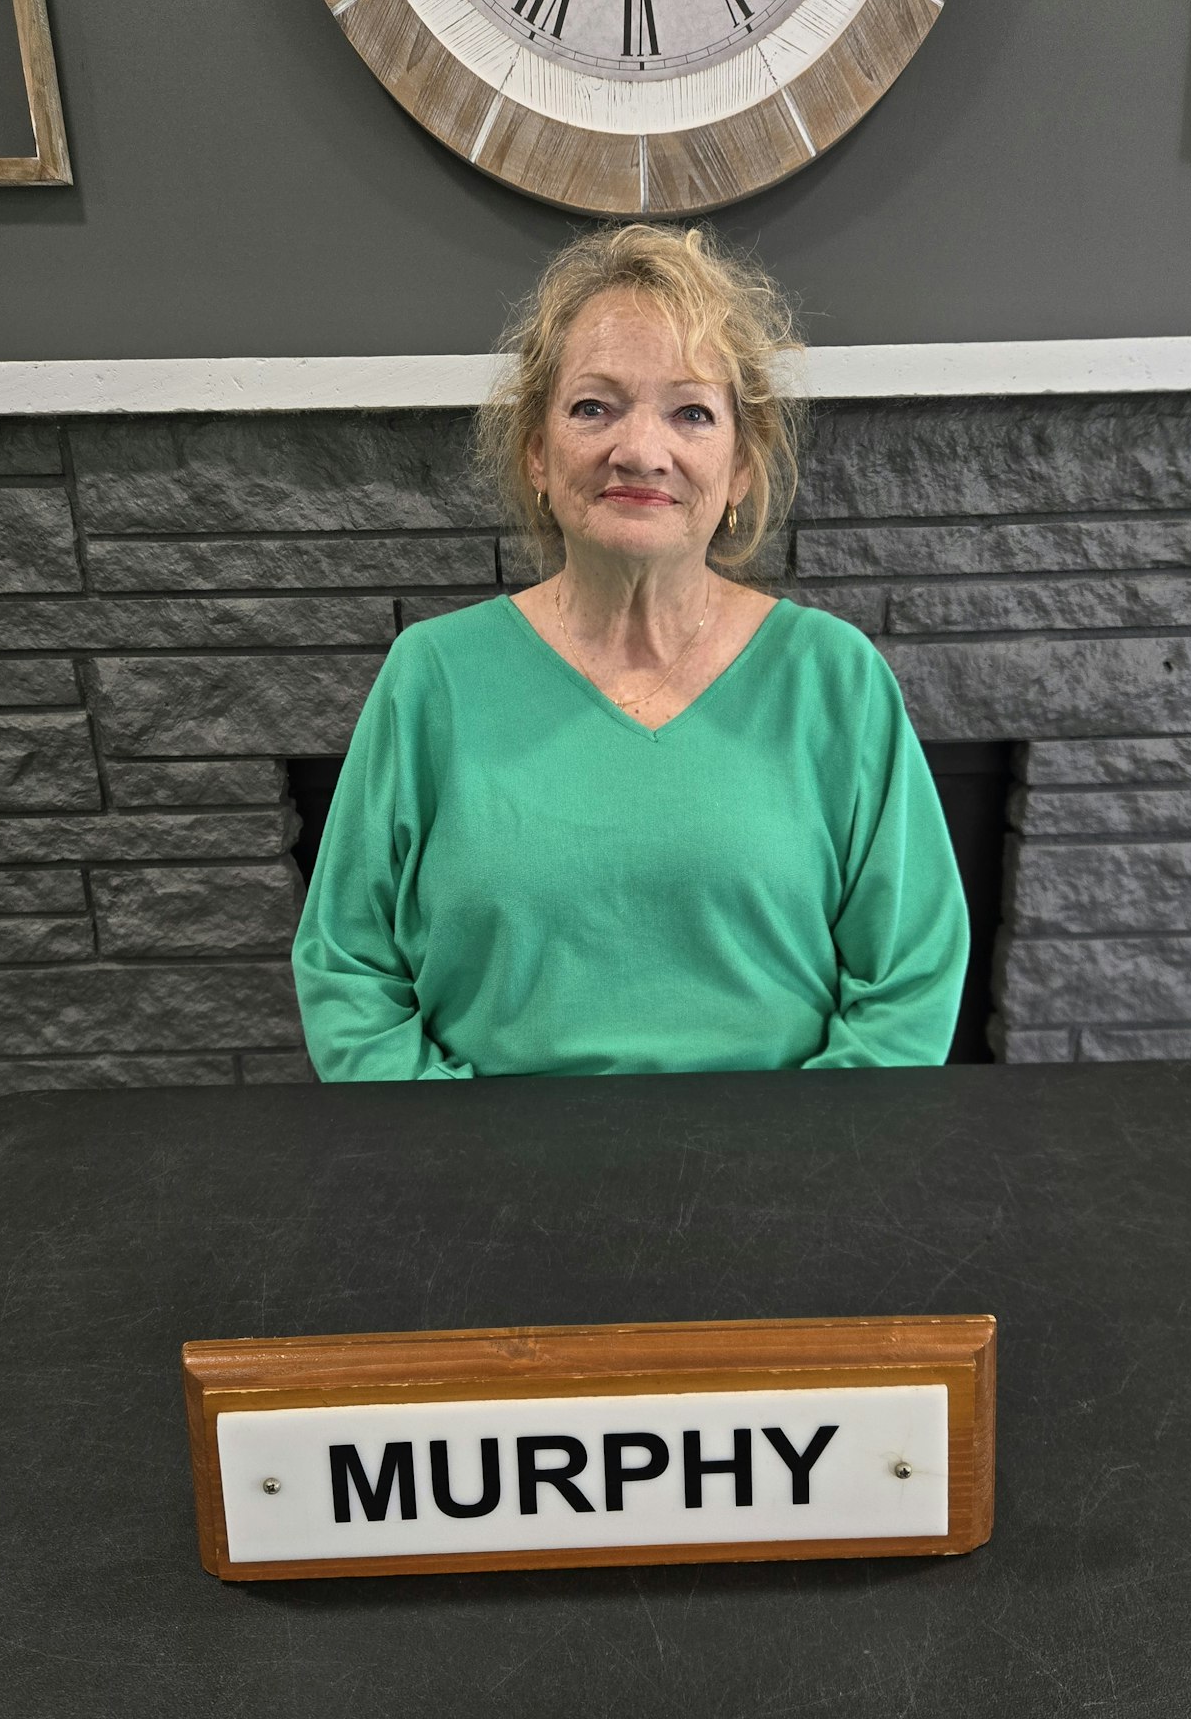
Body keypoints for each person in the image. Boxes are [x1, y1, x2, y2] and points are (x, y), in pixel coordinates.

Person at [291, 222, 969, 1081]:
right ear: (537, 454)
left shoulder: (834, 679)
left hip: (776, 1177)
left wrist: (801, 1167)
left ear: (742, 467)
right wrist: (451, 1163)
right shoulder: (431, 679)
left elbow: (909, 982)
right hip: (482, 1181)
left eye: (691, 412)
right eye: (593, 407)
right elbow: (348, 969)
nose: (641, 451)